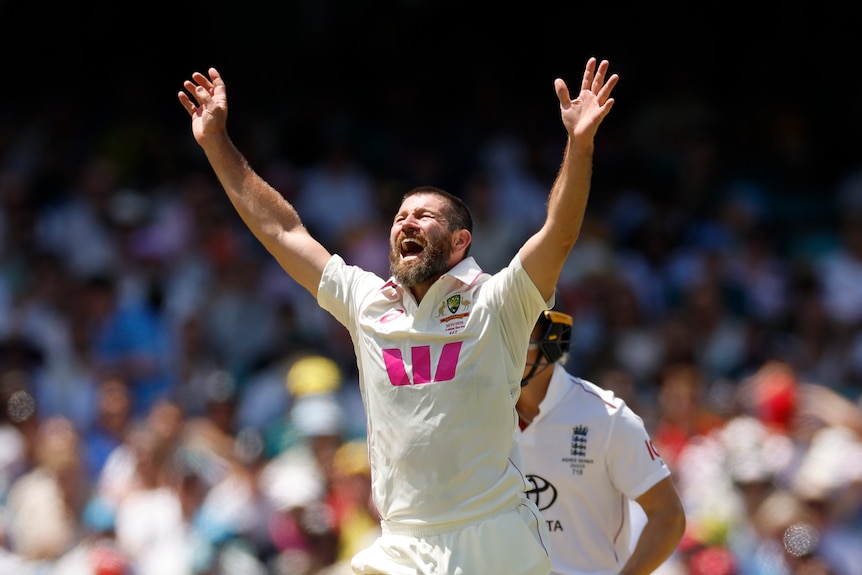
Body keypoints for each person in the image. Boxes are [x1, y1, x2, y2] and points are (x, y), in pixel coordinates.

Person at [178, 56, 618, 575]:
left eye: (423, 216)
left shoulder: (500, 300)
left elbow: (558, 233)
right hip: (403, 542)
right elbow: (283, 232)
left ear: (460, 242)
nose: (405, 223)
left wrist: (579, 144)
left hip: (494, 536)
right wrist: (216, 145)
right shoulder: (367, 303)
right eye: (399, 217)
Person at [516, 307, 687, 575]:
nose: (505, 343)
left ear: (554, 336)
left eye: (520, 331)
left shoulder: (608, 418)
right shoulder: (477, 414)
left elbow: (668, 516)